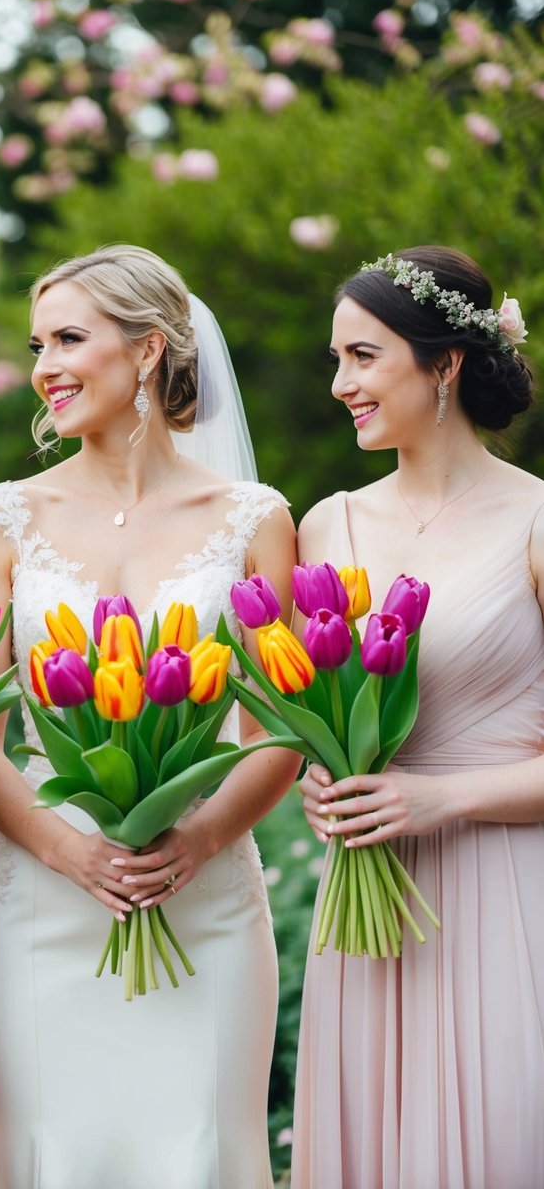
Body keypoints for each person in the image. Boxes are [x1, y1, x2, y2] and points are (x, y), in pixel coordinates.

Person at [0, 243, 299, 1189]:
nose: (45, 367)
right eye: (37, 344)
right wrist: (64, 851)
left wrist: (200, 838)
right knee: (51, 1151)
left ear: (146, 351)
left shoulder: (253, 517)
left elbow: (280, 728)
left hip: (207, 891)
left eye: (70, 338)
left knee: (198, 1149)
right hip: (45, 892)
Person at [290, 246, 543, 1189]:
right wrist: (322, 770)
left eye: (363, 357)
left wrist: (441, 801)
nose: (341, 383)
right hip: (362, 906)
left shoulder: (533, 523)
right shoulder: (328, 527)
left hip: (502, 896)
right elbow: (307, 703)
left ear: (442, 365)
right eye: (335, 360)